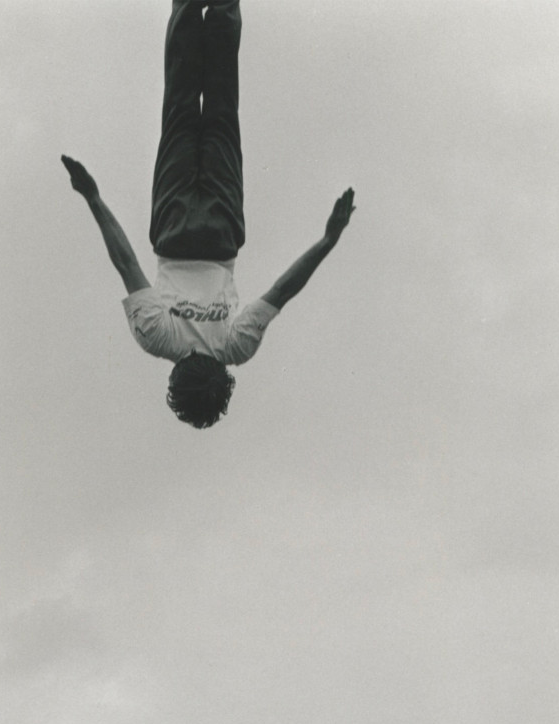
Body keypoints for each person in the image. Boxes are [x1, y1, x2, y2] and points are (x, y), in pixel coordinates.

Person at [62, 0, 355, 429]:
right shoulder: (157, 338)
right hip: (174, 230)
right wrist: (92, 198)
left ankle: (221, 6)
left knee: (219, 109)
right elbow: (124, 261)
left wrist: (328, 241)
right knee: (182, 106)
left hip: (219, 233)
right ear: (177, 380)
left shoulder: (234, 350)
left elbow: (284, 289)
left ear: (222, 380)